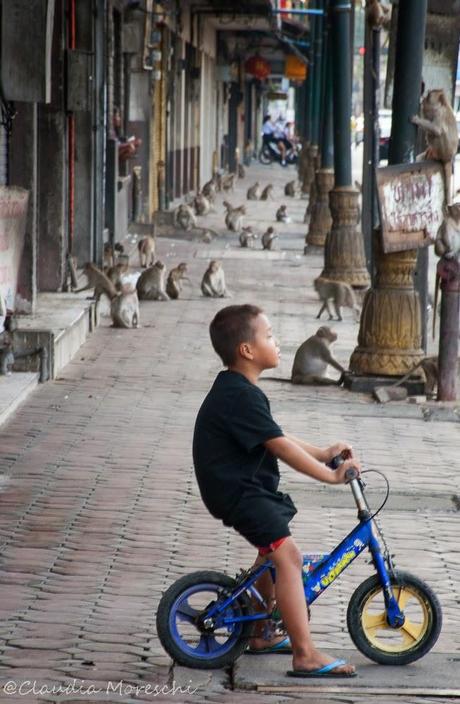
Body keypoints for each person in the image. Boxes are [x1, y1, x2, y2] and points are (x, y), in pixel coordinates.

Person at [193, 304, 360, 678]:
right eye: (268, 335)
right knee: (289, 559)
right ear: (247, 351)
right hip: (241, 493)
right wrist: (329, 476)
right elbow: (279, 447)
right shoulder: (240, 395)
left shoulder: (239, 390)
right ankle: (305, 653)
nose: (277, 341)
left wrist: (322, 452)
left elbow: (275, 435)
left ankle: (260, 634)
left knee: (269, 557)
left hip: (241, 488)